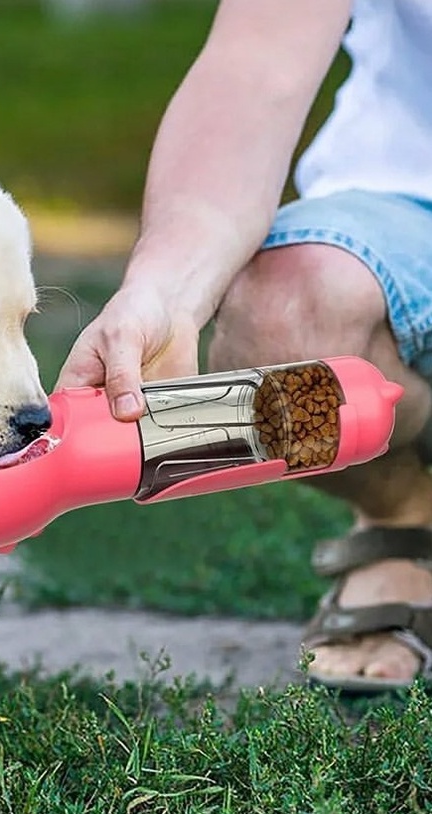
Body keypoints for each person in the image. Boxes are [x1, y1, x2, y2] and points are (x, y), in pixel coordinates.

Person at [56, 0, 432, 692]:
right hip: (408, 194)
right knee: (285, 323)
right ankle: (406, 515)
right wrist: (167, 293)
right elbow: (254, 68)